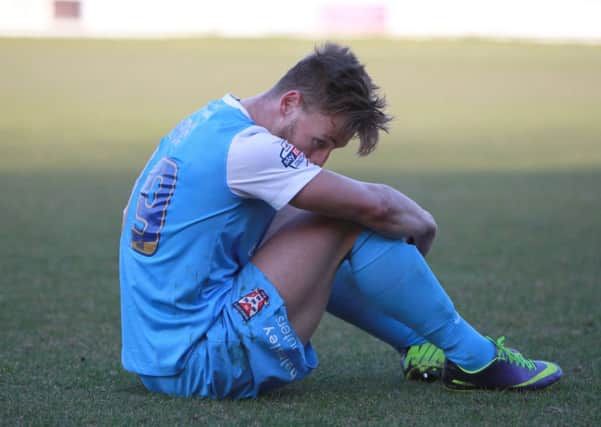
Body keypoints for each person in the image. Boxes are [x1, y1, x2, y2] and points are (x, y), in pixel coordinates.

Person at [119, 42, 562, 399]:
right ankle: (478, 359)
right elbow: (378, 207)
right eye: (319, 141)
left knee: (314, 217)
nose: (318, 159)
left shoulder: (209, 123)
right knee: (346, 218)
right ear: (290, 102)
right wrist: (425, 224)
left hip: (161, 358)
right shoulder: (250, 149)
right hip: (203, 361)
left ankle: (417, 343)